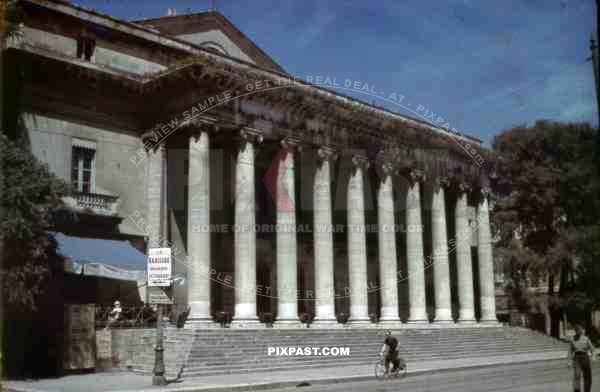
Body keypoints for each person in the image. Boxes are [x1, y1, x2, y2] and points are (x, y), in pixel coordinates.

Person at [568, 324, 595, 392]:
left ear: (581, 331)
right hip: (577, 358)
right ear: (575, 331)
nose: (578, 332)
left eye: (579, 330)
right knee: (577, 376)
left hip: (585, 357)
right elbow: (570, 351)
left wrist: (593, 356)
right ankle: (577, 391)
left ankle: (587, 390)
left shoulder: (586, 339)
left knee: (587, 376)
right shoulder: (572, 339)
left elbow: (592, 349)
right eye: (577, 330)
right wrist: (569, 361)